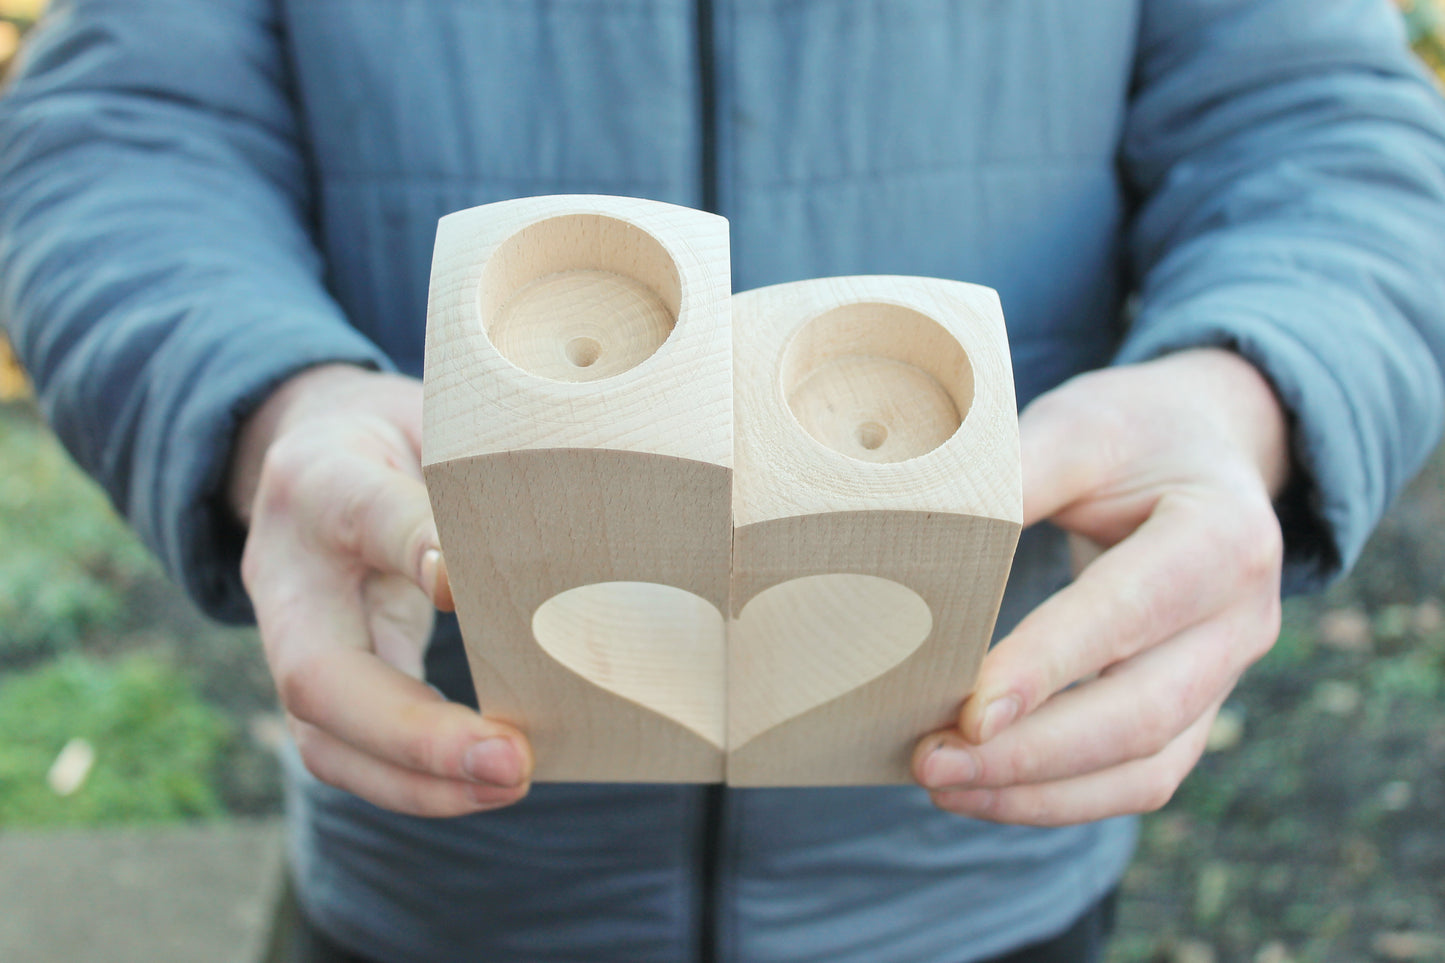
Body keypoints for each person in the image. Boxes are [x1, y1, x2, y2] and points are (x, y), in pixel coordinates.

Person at [3, 1, 1445, 960]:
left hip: (965, 876)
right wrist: (267, 400)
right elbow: (123, 129)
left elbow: (1322, 126)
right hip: (443, 879)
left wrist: (1247, 389)